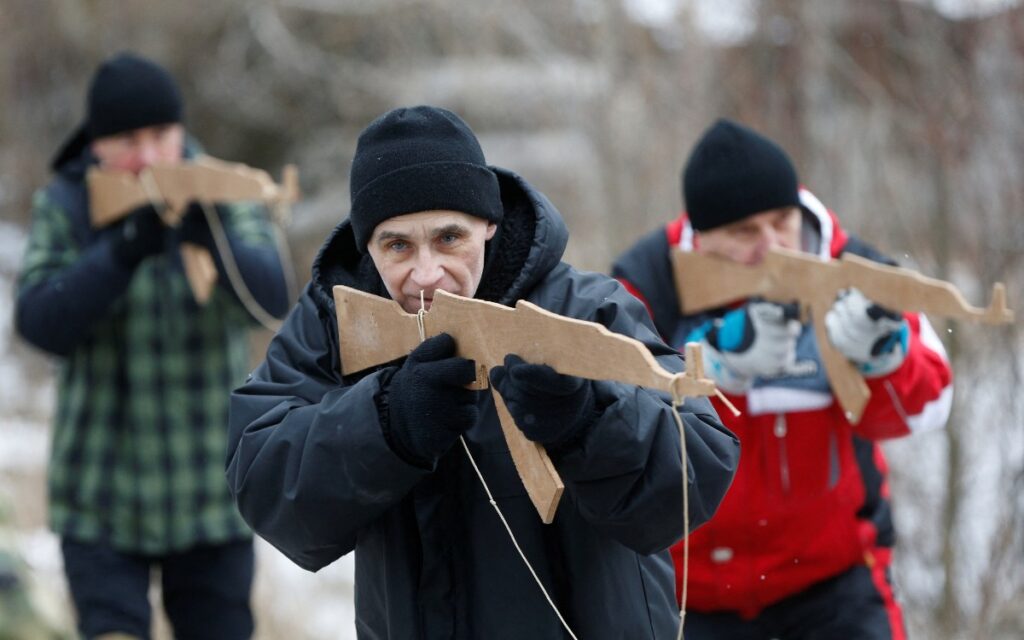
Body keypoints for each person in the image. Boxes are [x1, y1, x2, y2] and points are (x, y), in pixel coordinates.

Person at [226, 105, 740, 639]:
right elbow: (261, 474)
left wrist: (588, 419)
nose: (427, 274)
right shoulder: (334, 322)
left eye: (450, 238)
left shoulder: (583, 307)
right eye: (397, 245)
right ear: (367, 247)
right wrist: (387, 423)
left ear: (489, 225)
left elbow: (696, 468)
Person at [612, 118, 953, 639]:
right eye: (744, 232)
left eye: (781, 220)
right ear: (702, 238)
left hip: (834, 584)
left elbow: (930, 406)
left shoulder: (852, 269)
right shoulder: (648, 281)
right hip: (689, 590)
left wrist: (883, 358)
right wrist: (710, 367)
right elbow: (611, 416)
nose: (771, 246)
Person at [14, 52, 290, 640]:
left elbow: (271, 298)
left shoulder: (217, 191)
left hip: (210, 494)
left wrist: (209, 238)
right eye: (129, 140)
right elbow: (40, 320)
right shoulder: (68, 203)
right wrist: (123, 250)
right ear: (97, 146)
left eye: (162, 135)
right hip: (101, 498)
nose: (149, 156)